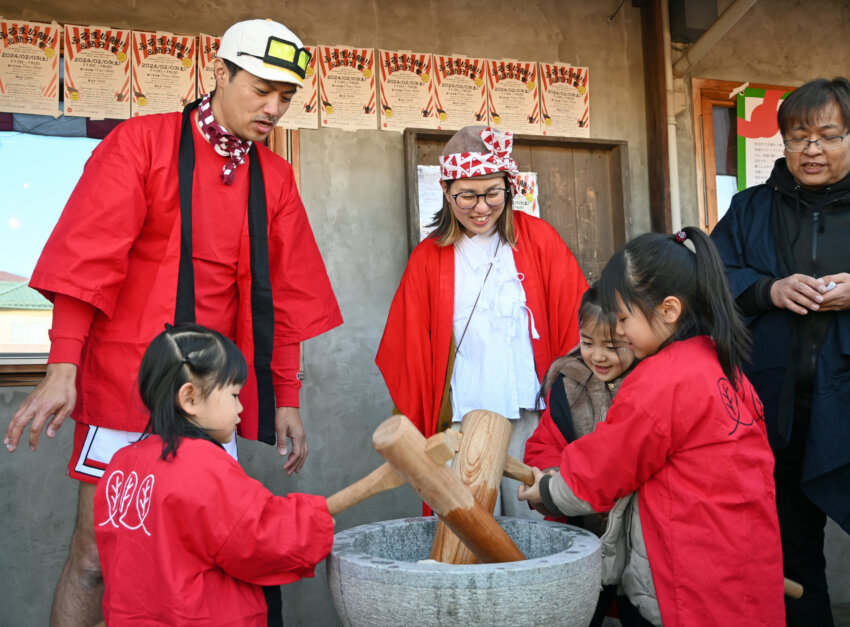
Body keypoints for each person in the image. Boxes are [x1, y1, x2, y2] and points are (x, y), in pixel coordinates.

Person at [3, 18, 342, 627]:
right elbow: (87, 265)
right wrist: (62, 369)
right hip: (126, 386)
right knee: (95, 560)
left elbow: (281, 303)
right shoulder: (141, 143)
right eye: (261, 89)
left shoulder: (277, 178)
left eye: (286, 97)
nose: (274, 107)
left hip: (214, 399)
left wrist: (285, 398)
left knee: (202, 561)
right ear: (221, 73)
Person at [518, 227, 785, 626]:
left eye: (623, 317)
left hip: (689, 582)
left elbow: (599, 473)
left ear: (669, 310)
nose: (618, 332)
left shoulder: (662, 378)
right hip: (742, 565)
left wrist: (547, 491)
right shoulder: (723, 366)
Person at [376, 125, 587, 516]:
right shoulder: (428, 257)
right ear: (446, 191)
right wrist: (421, 425)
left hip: (531, 419)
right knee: (465, 535)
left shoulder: (539, 240)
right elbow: (406, 347)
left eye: (493, 193)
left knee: (533, 530)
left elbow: (575, 324)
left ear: (509, 188)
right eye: (466, 195)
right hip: (460, 424)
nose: (481, 207)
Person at [711, 76, 850, 626]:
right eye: (797, 137)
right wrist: (769, 290)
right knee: (792, 552)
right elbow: (711, 277)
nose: (811, 149)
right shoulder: (750, 208)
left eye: (827, 135)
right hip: (777, 410)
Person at [94, 324, 334, 626]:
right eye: (234, 395)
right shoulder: (205, 467)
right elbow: (259, 539)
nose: (241, 408)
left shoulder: (121, 465)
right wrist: (313, 521)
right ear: (190, 398)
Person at [524, 283, 640, 627]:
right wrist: (552, 478)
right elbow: (543, 445)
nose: (598, 356)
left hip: (639, 534)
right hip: (583, 532)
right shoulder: (570, 383)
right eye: (588, 343)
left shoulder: (651, 382)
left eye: (613, 346)